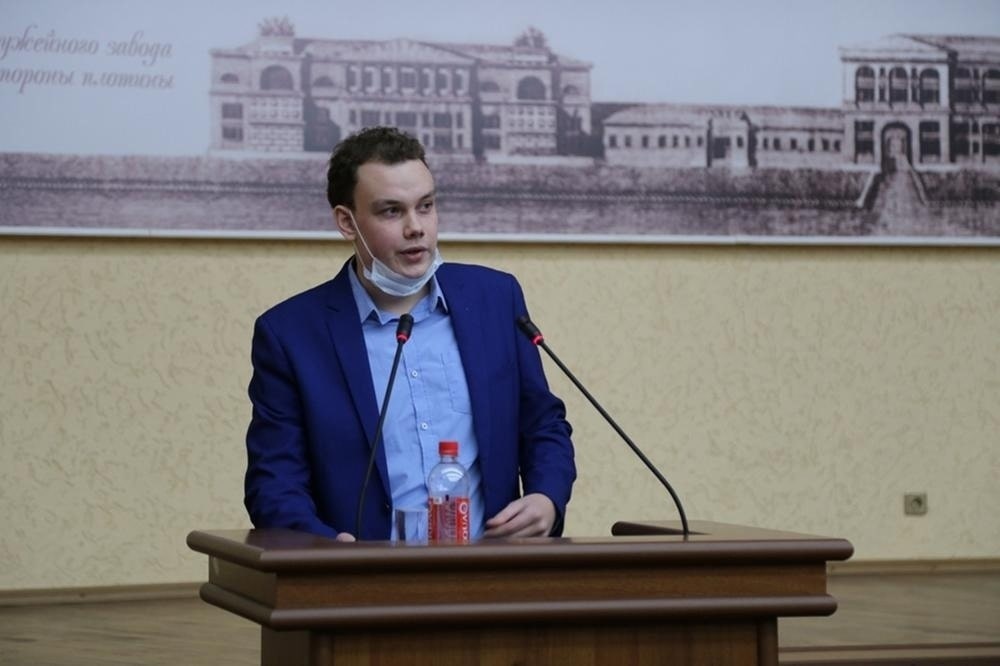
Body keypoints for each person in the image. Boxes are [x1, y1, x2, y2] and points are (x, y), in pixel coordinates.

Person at [244, 126, 576, 542]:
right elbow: (274, 482)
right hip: (361, 574)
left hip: (489, 568)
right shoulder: (291, 335)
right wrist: (323, 549)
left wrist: (546, 498)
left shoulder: (494, 300)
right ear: (347, 222)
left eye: (426, 206)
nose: (416, 227)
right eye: (391, 211)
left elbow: (543, 424)